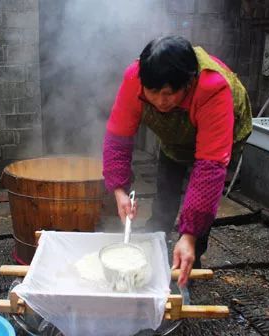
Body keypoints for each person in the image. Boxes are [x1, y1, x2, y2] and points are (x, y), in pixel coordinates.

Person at [103, 36, 252, 288]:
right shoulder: (134, 78)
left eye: (168, 94)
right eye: (152, 93)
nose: (160, 101)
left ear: (188, 83)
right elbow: (118, 137)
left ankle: (190, 256)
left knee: (200, 197)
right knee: (167, 186)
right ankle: (156, 240)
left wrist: (190, 235)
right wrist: (119, 191)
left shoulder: (212, 88)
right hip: (175, 136)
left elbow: (208, 171)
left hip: (221, 130)